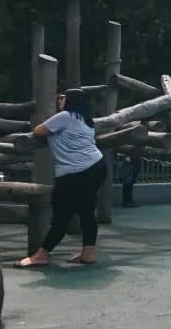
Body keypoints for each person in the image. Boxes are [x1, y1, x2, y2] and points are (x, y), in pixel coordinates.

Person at [14, 88, 108, 267]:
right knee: (87, 211)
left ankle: (42, 254)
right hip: (97, 166)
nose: (59, 100)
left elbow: (38, 131)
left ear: (71, 100)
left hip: (76, 172)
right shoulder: (86, 120)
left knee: (61, 215)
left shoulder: (65, 116)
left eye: (62, 98)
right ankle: (88, 254)